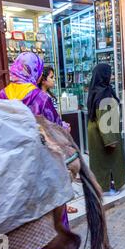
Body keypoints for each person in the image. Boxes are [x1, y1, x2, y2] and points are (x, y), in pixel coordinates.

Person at [0, 52, 71, 249]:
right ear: (36, 71)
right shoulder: (40, 98)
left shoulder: (3, 95)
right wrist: (64, 128)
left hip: (15, 166)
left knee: (25, 213)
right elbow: (54, 130)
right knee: (48, 211)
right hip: (41, 166)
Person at [37, 66, 78, 215]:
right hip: (51, 139)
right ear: (43, 80)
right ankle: (61, 205)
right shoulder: (42, 97)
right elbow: (49, 121)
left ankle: (62, 204)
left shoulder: (47, 95)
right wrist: (62, 127)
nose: (54, 80)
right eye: (52, 77)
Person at [87, 64, 125, 196]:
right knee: (106, 161)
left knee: (104, 161)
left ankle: (106, 184)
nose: (112, 76)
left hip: (100, 131)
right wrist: (110, 140)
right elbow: (103, 115)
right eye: (110, 74)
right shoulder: (102, 94)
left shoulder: (100, 90)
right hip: (103, 133)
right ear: (104, 75)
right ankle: (106, 187)